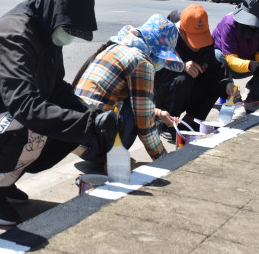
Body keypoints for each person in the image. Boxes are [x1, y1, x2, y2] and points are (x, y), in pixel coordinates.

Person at [0, 0, 121, 227]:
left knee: (73, 123)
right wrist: (88, 122)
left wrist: (93, 116)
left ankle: (1, 180)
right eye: (68, 27)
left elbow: (56, 89)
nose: (70, 34)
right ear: (54, 9)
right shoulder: (15, 36)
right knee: (32, 123)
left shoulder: (46, 29)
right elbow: (25, 107)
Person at [71, 14, 185, 161]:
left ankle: (107, 156)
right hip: (94, 143)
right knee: (143, 104)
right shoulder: (142, 62)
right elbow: (145, 126)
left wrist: (158, 114)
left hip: (75, 135)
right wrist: (163, 158)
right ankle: (112, 157)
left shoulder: (114, 47)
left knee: (139, 103)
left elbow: (111, 100)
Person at [155, 4, 238, 139]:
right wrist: (181, 66)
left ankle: (190, 122)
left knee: (215, 84)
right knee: (184, 78)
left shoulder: (207, 42)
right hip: (164, 95)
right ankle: (165, 124)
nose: (199, 46)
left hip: (190, 91)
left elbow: (213, 70)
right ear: (181, 32)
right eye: (194, 40)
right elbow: (153, 69)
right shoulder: (166, 36)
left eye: (201, 38)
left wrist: (226, 85)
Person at [212, 0, 259, 113]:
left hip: (246, 65)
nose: (252, 25)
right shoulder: (229, 23)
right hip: (225, 68)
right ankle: (234, 99)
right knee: (217, 55)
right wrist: (250, 65)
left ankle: (253, 98)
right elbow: (229, 59)